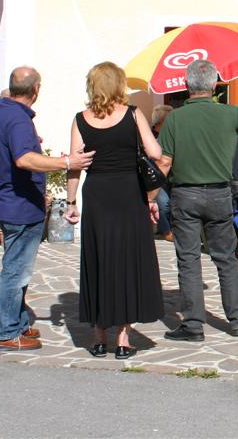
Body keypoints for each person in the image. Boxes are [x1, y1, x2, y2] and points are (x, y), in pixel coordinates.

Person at [0, 66, 94, 352]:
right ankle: (6, 331)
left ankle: (18, 323)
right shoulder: (18, 119)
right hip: (19, 204)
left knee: (16, 268)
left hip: (8, 199)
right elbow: (24, 159)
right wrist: (67, 162)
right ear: (36, 90)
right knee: (15, 271)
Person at [64, 62, 165, 360]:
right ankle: (122, 339)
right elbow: (155, 154)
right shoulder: (133, 115)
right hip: (128, 194)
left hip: (97, 194)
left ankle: (98, 338)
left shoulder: (80, 120)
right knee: (126, 262)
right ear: (120, 85)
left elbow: (74, 166)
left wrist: (71, 203)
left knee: (98, 259)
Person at [156, 59, 238, 343]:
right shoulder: (229, 114)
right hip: (219, 194)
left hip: (185, 194)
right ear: (214, 85)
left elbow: (165, 161)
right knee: (226, 258)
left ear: (187, 85)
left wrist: (151, 196)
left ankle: (193, 325)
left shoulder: (175, 118)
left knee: (189, 260)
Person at [151, 104, 174, 242]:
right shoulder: (151, 135)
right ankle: (166, 231)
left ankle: (165, 229)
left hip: (172, 176)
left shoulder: (172, 134)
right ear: (159, 122)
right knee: (164, 203)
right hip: (158, 176)